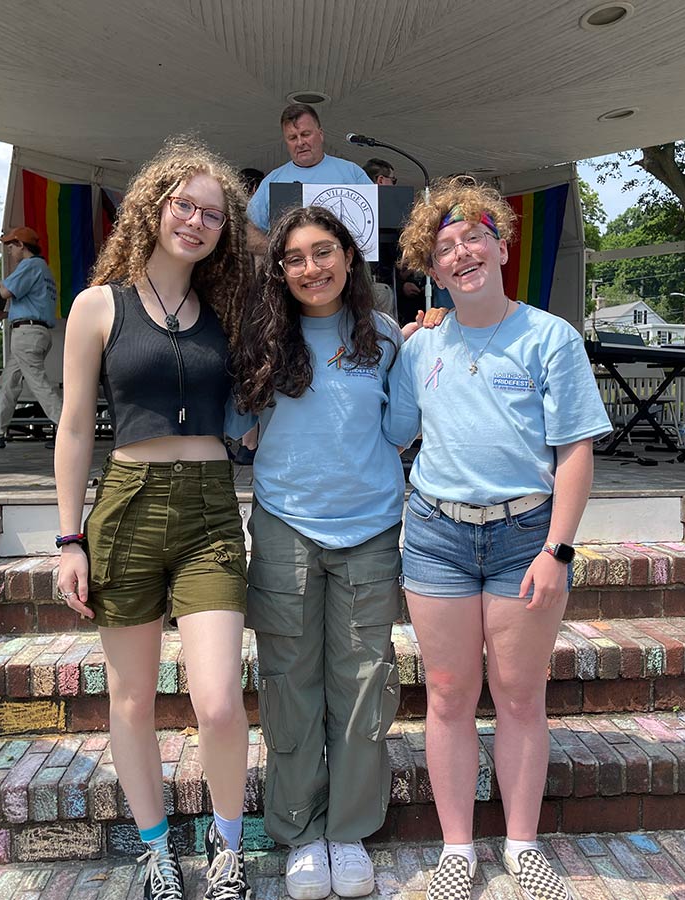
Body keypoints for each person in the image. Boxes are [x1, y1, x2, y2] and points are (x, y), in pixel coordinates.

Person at [388, 178, 611, 900]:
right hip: (437, 536)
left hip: (524, 538)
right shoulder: (422, 349)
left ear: (502, 242)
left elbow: (575, 450)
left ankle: (521, 843)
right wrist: (394, 342)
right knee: (450, 695)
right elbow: (392, 430)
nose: (461, 255)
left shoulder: (550, 337)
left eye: (472, 238)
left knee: (518, 696)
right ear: (433, 266)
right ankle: (458, 847)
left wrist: (558, 550)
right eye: (444, 247)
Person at [54, 139, 254, 900]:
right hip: (125, 509)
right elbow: (75, 429)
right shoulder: (98, 304)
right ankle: (155, 849)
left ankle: (229, 848)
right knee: (132, 699)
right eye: (184, 205)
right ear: (154, 205)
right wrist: (69, 536)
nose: (196, 221)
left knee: (218, 701)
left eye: (212, 212)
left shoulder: (227, 312)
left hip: (208, 510)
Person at [233, 206, 434, 900]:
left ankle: (347, 831)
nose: (311, 268)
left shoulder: (381, 335)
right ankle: (298, 831)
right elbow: (234, 421)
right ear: (280, 270)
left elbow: (404, 425)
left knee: (362, 686)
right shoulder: (261, 335)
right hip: (286, 526)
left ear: (350, 257)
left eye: (324, 252)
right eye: (294, 257)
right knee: (290, 687)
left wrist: (435, 335)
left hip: (370, 530)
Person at [0, 225, 63, 450]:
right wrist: (7, 315)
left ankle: (67, 429)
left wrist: (0, 284)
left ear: (22, 246)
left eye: (11, 247)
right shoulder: (44, 270)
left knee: (39, 384)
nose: (10, 252)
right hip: (35, 331)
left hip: (27, 335)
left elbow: (6, 293)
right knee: (8, 382)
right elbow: (35, 305)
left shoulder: (30, 265)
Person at [246, 103, 373, 254]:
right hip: (293, 271)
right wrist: (278, 250)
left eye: (306, 134)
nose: (300, 143)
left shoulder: (351, 172)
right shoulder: (273, 181)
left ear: (320, 134)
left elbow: (378, 218)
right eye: (293, 137)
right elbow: (245, 230)